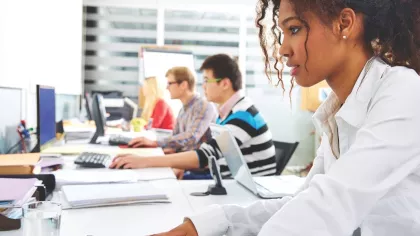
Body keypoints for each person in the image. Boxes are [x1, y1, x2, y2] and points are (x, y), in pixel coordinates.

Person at [148, 0, 420, 235]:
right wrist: (210, 224)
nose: (282, 49)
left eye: (294, 29)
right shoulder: (339, 110)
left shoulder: (403, 90)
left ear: (344, 23)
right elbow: (304, 202)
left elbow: (333, 204)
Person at [110, 54, 277, 178]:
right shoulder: (228, 113)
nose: (202, 86)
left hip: (246, 194)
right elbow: (214, 158)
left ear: (225, 84)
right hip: (228, 183)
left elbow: (205, 156)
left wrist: (144, 161)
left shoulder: (243, 115)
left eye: (206, 80)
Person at [130, 67, 217, 153]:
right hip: (181, 157)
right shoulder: (183, 109)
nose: (167, 88)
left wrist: (155, 143)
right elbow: (175, 137)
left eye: (170, 83)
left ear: (183, 85)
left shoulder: (203, 105)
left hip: (194, 163)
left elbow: (191, 137)